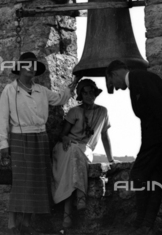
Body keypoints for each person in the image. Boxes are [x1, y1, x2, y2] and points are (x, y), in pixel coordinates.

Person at [105, 60, 162, 235]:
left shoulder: (139, 79)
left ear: (114, 74)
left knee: (138, 175)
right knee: (154, 179)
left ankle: (141, 224)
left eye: (111, 83)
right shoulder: (138, 80)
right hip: (160, 137)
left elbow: (160, 108)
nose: (115, 87)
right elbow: (151, 116)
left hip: (161, 138)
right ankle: (145, 226)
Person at [0, 52, 79, 235]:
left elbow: (60, 99)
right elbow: (2, 120)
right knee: (20, 183)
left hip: (40, 137)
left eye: (34, 65)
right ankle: (12, 224)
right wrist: (4, 146)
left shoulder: (41, 91)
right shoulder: (9, 90)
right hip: (19, 138)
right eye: (27, 64)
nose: (31, 68)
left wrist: (72, 86)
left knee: (37, 182)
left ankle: (26, 223)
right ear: (20, 68)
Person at [52, 79, 117, 233]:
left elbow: (104, 136)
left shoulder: (103, 112)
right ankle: (80, 196)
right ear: (81, 95)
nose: (89, 95)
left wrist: (110, 159)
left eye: (92, 92)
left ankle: (67, 218)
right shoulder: (75, 112)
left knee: (73, 164)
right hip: (65, 148)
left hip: (84, 150)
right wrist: (66, 138)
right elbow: (63, 135)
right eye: (85, 92)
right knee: (74, 151)